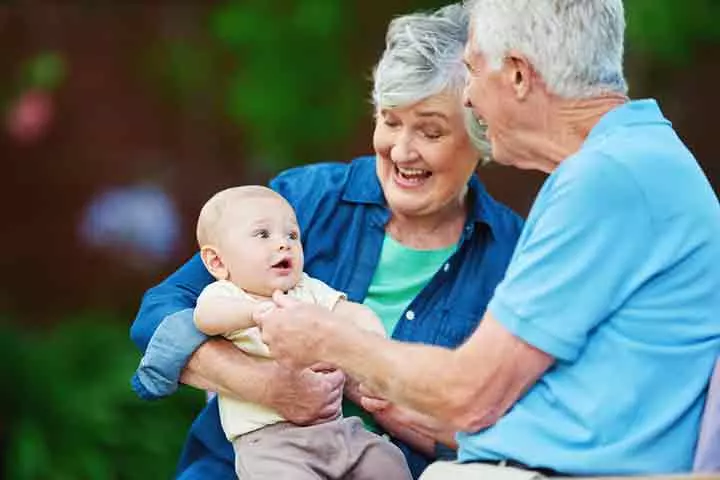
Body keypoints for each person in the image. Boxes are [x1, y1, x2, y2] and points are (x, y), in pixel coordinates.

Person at [252, 0, 720, 478]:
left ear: (517, 75)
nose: (469, 98)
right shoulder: (632, 161)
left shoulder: (609, 178)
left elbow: (469, 397)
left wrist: (331, 340)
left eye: (472, 70)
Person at [129, 4, 523, 479]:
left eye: (431, 130)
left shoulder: (514, 255)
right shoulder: (302, 202)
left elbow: (522, 434)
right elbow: (161, 311)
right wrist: (267, 385)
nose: (401, 150)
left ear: (483, 134)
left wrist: (401, 405)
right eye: (391, 121)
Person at [185, 185, 410, 479]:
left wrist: (376, 354)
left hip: (336, 430)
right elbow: (205, 318)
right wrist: (253, 314)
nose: (284, 244)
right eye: (262, 235)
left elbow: (355, 313)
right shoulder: (227, 295)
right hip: (270, 443)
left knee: (385, 459)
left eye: (292, 235)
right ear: (217, 261)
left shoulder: (306, 289)